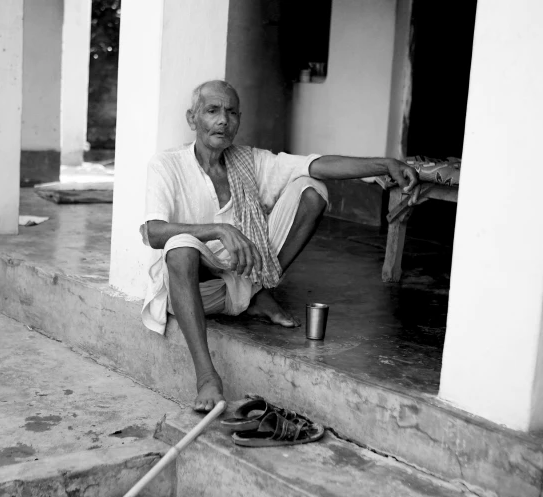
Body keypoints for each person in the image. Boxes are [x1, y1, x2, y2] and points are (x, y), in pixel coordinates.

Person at [140, 80, 418, 412]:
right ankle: (207, 378)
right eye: (212, 111)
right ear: (192, 118)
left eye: (231, 112)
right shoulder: (167, 164)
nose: (223, 120)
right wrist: (218, 229)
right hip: (194, 289)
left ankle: (257, 289)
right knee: (180, 246)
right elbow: (154, 232)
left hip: (241, 274)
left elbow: (313, 164)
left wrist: (384, 165)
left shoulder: (247, 161)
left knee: (311, 189)